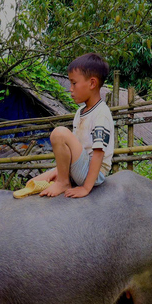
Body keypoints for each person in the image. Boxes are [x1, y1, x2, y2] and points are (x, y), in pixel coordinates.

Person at [33, 53, 115, 198]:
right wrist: (58, 170)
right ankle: (63, 179)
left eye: (74, 83)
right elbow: (73, 149)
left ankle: (63, 183)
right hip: (78, 167)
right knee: (32, 183)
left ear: (92, 83)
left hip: (93, 172)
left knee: (59, 133)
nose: (70, 88)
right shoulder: (80, 112)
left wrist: (86, 188)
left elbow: (98, 153)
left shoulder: (101, 113)